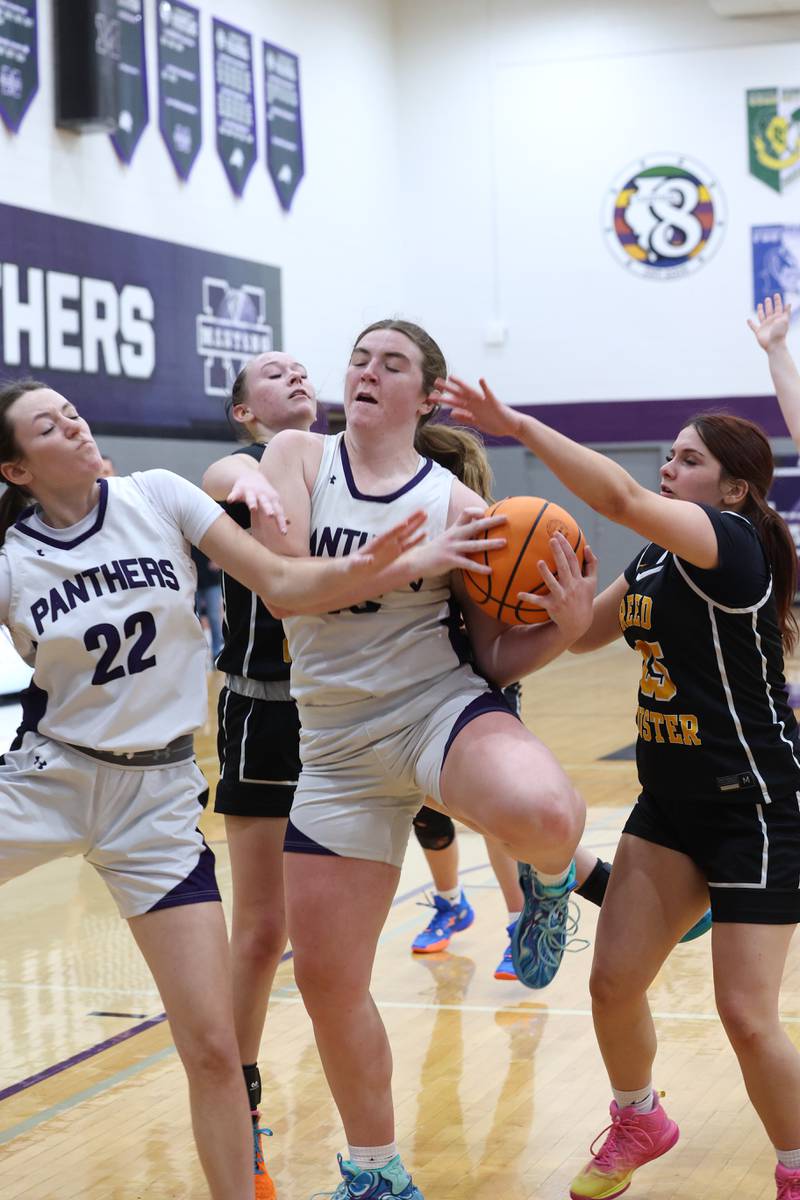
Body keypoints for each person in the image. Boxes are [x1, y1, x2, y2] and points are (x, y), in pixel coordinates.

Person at [0, 378, 475, 1200]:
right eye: (48, 424)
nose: (72, 422)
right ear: (16, 469)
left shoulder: (158, 496)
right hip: (51, 779)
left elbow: (283, 586)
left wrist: (385, 564)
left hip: (156, 802)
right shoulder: (13, 561)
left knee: (215, 1047)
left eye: (71, 409)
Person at [253, 319, 599, 1199]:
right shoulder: (297, 455)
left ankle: (550, 888)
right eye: (360, 359)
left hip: (433, 711)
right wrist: (403, 561)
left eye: (391, 363)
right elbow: (287, 581)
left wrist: (563, 630)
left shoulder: (460, 507)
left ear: (424, 394)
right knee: (330, 983)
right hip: (332, 746)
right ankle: (375, 1171)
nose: (367, 372)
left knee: (552, 815)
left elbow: (491, 662)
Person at [439, 371, 800, 1200]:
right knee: (610, 983)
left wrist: (520, 426)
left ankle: (793, 1171)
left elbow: (625, 494)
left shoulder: (730, 547)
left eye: (688, 460)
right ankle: (639, 1117)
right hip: (669, 806)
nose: (669, 468)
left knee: (746, 1016)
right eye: (668, 456)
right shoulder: (652, 560)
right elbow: (587, 636)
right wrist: (551, 607)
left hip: (756, 807)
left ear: (734, 488)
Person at [201, 351, 319, 1200]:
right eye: (273, 375)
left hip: (355, 703)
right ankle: (240, 1105)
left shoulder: (346, 465)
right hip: (266, 712)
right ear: (245, 411)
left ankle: (571, 873)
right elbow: (223, 470)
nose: (295, 375)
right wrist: (251, 473)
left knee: (461, 789)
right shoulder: (236, 472)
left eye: (302, 368)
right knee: (264, 929)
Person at [191, 544, 224, 661]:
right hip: (193, 581)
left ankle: (217, 651)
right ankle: (198, 654)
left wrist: (219, 560)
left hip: (211, 580)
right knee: (194, 619)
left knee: (214, 617)